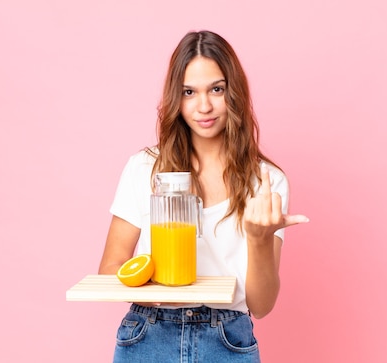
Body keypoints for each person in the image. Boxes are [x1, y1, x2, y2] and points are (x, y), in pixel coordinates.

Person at [98, 30, 309, 363]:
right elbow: (112, 268)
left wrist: (258, 239)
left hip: (227, 339)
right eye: (189, 92)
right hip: (148, 334)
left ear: (234, 92)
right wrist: (157, 285)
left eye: (217, 89)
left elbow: (261, 305)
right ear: (175, 98)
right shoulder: (145, 168)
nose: (204, 106)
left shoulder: (266, 182)